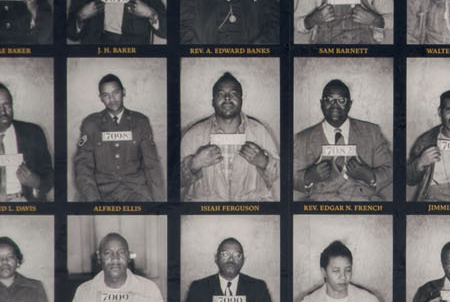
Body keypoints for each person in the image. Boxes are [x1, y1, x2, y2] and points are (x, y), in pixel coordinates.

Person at [179, 72, 279, 203]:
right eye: (220, 94)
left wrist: (264, 162)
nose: (227, 98)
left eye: (233, 93)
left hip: (251, 213)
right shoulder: (192, 135)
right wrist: (194, 164)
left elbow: (282, 179)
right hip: (207, 215)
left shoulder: (260, 133)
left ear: (241, 100)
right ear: (212, 102)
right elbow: (176, 182)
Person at [293, 78, 392, 203]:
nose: (334, 105)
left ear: (350, 104)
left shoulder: (372, 132)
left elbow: (391, 168)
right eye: (328, 100)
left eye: (341, 100)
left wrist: (369, 176)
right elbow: (289, 176)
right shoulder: (303, 138)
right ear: (321, 103)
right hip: (319, 204)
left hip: (364, 202)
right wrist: (308, 177)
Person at [73, 73, 163, 204]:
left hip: (135, 190)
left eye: (115, 93)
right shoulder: (91, 124)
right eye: (106, 95)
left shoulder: (140, 122)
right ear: (101, 98)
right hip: (101, 190)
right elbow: (83, 165)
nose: (112, 99)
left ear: (123, 92)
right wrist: (93, 198)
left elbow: (151, 165)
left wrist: (158, 201)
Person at [0, 83, 51, 202]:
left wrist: (37, 182)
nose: (3, 112)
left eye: (6, 105)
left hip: (24, 201)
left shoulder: (33, 133)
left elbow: (49, 174)